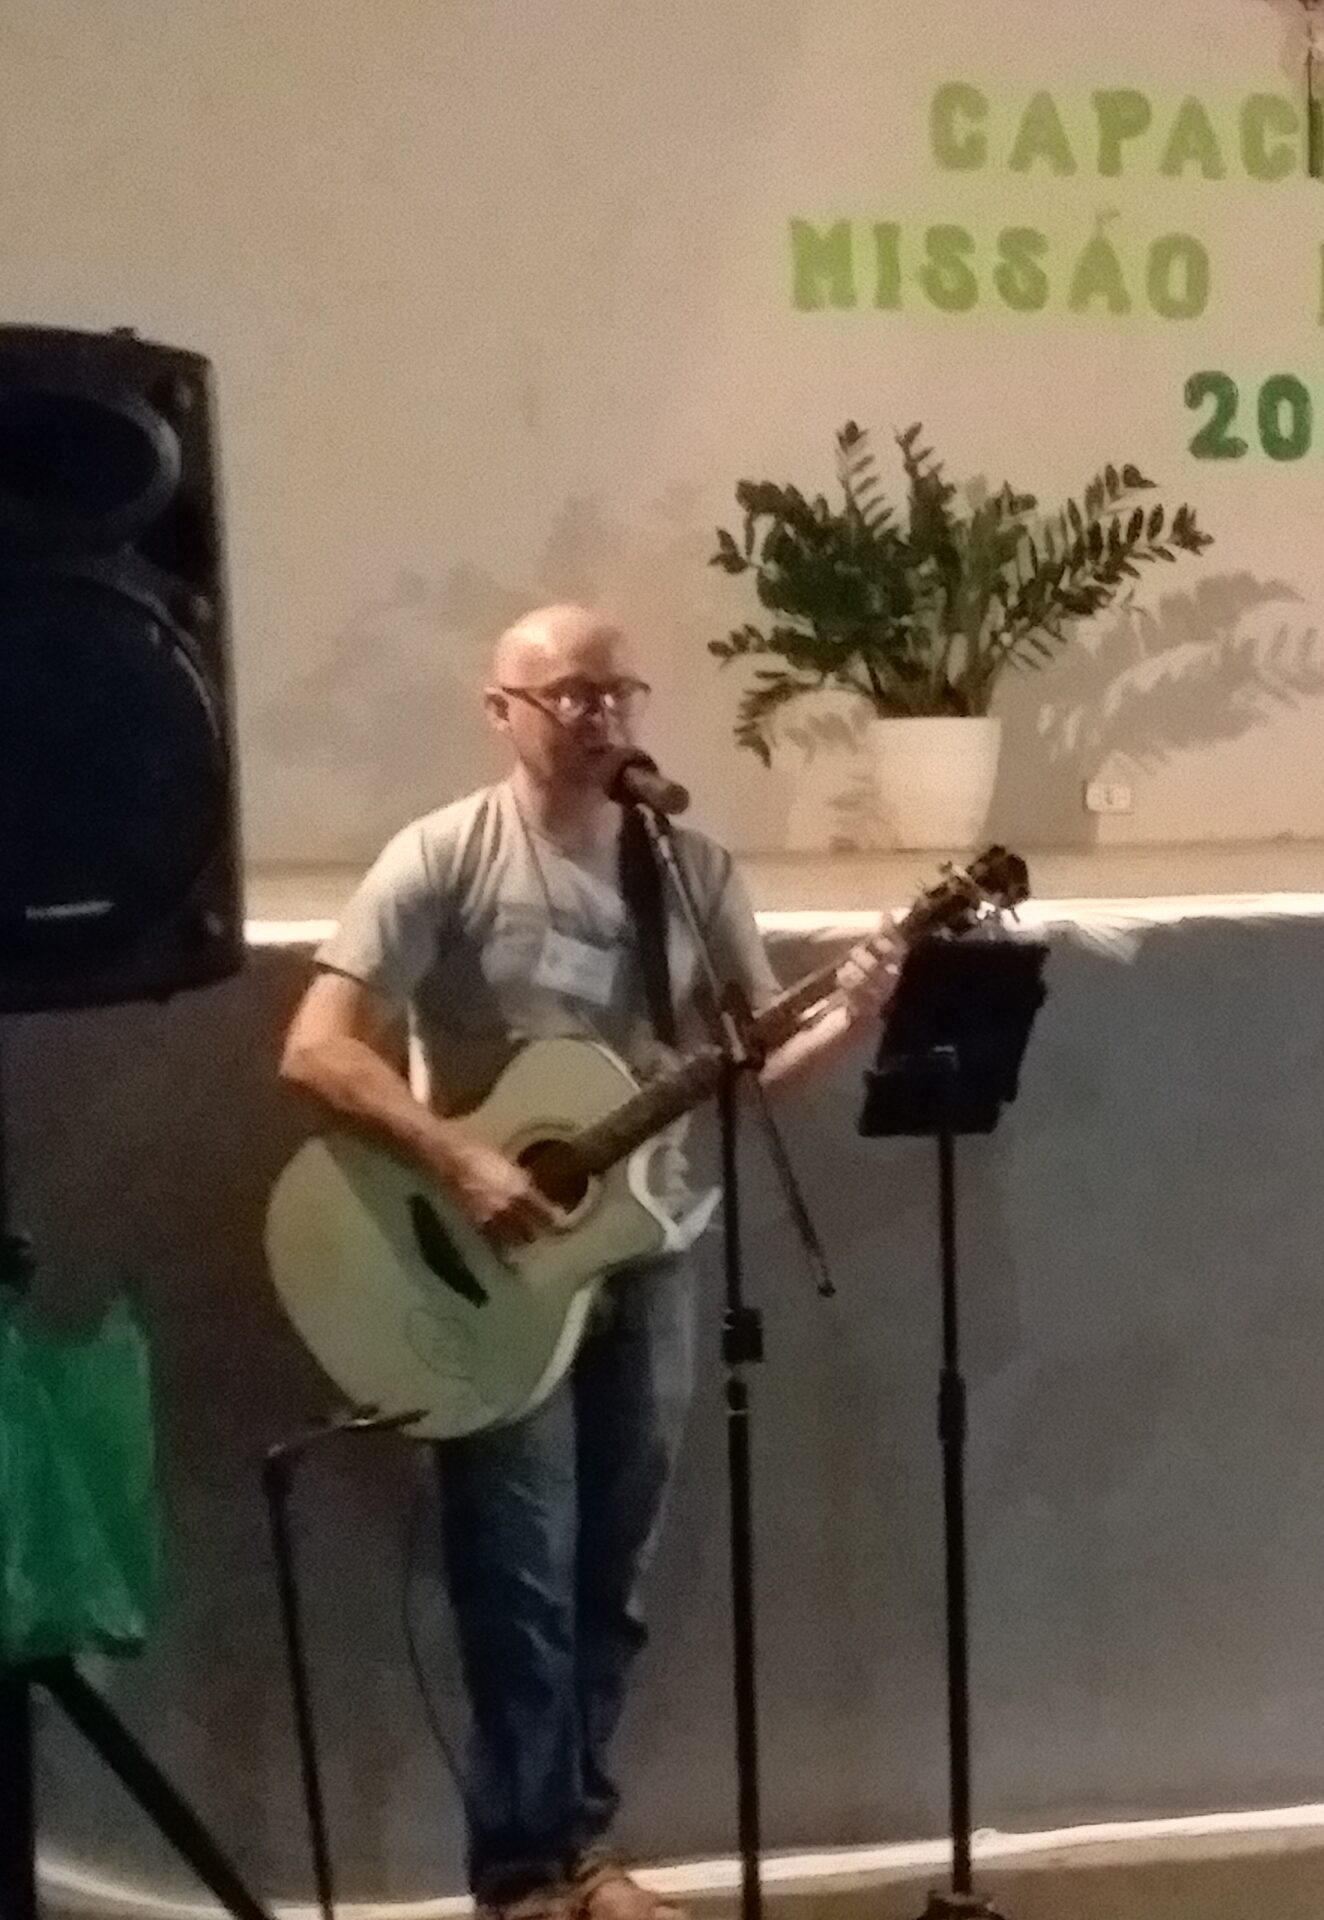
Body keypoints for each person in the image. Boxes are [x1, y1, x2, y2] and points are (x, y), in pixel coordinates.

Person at [278, 605, 903, 1920]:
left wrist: (850, 1013)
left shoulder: (686, 867)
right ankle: (521, 1875)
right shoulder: (444, 855)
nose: (599, 713)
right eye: (568, 692)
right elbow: (317, 1048)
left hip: (646, 1255)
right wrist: (461, 1160)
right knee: (518, 1577)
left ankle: (579, 1854)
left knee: (609, 1577)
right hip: (487, 1267)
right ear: (500, 711)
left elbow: (746, 1068)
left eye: (618, 690)